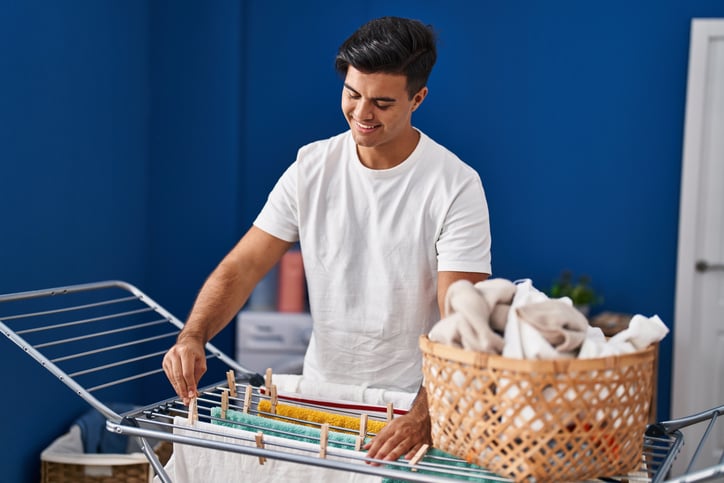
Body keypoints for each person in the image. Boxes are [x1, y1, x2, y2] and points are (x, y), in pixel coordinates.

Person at [162, 15, 491, 464]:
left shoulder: (455, 185)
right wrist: (193, 336)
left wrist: (425, 414)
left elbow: (462, 321)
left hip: (414, 404)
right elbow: (243, 267)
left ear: (418, 98)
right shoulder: (311, 167)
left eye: (381, 102)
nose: (361, 113)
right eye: (352, 94)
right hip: (321, 400)